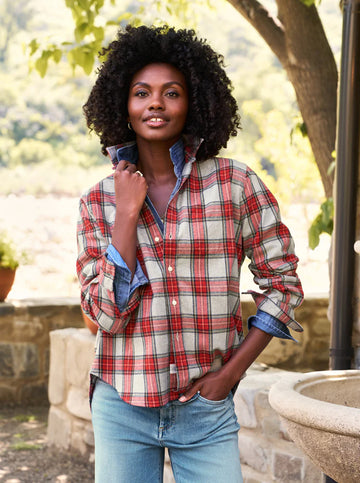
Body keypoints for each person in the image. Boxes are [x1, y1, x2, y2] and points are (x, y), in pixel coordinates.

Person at [77, 25, 304, 483]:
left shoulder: (236, 185)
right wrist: (126, 214)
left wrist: (229, 377)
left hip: (206, 410)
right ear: (123, 104)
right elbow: (104, 315)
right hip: (123, 405)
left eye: (171, 93)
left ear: (195, 102)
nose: (155, 103)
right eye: (142, 92)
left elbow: (283, 285)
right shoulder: (98, 201)